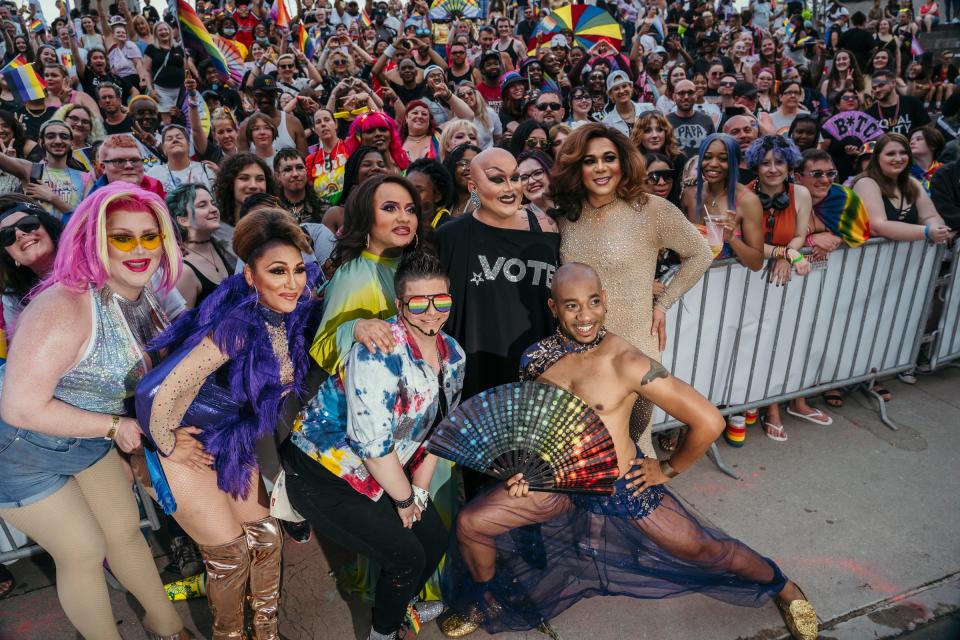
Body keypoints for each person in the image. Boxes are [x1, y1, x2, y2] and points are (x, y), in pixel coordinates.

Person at [438, 263, 818, 640]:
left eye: (593, 302)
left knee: (703, 549)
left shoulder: (627, 362)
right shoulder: (535, 358)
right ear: (554, 308)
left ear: (605, 302)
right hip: (559, 483)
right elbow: (537, 423)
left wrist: (667, 469)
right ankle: (488, 600)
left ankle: (785, 587)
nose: (585, 315)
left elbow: (709, 422)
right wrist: (527, 467)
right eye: (571, 305)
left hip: (621, 488)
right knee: (472, 523)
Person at [0, 182, 188, 640]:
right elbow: (20, 408)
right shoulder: (64, 305)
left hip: (84, 436)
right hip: (18, 451)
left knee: (124, 531)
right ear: (94, 240)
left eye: (150, 235)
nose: (139, 249)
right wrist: (114, 425)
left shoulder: (135, 290)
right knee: (83, 550)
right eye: (121, 237)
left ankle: (169, 629)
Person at [136, 208, 319, 640]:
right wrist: (167, 442)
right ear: (251, 277)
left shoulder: (291, 311)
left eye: (297, 270)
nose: (292, 282)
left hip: (234, 440)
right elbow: (159, 391)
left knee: (266, 539)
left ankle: (267, 634)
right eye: (278, 271)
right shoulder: (237, 325)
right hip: (189, 442)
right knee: (231, 556)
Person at [285, 250, 460, 640]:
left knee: (433, 537)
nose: (431, 311)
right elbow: (373, 447)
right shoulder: (376, 355)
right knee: (406, 555)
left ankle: (396, 607)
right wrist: (403, 503)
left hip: (382, 471)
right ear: (400, 305)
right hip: (324, 473)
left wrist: (417, 493)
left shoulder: (455, 356)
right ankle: (382, 634)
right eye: (418, 302)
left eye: (441, 299)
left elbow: (437, 433)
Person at [550, 124, 712, 457]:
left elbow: (700, 253)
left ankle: (643, 500)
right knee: (581, 447)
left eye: (608, 158)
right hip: (578, 351)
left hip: (635, 347)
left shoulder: (651, 210)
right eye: (589, 160)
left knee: (634, 443)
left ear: (623, 162)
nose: (600, 168)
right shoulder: (566, 216)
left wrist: (664, 302)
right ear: (576, 167)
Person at [435, 147, 560, 402]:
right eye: (496, 179)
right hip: (474, 382)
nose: (510, 188)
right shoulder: (448, 238)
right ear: (473, 187)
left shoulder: (546, 231)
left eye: (514, 178)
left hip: (538, 378)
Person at [743, 136, 827, 441]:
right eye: (765, 162)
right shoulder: (744, 195)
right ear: (756, 165)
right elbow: (749, 243)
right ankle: (748, 404)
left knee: (781, 340)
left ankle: (776, 405)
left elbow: (799, 235)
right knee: (751, 342)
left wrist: (787, 255)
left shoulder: (801, 193)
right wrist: (784, 254)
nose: (773, 168)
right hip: (746, 277)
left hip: (783, 278)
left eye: (779, 161)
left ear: (789, 164)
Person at [682, 133, 764, 271]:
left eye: (723, 159)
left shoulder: (748, 201)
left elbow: (757, 263)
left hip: (727, 286)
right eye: (707, 157)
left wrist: (731, 239)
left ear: (735, 163)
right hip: (693, 286)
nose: (713, 164)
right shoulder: (690, 194)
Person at [0, 119, 88, 217]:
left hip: (72, 232)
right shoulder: (30, 170)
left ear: (71, 143)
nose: (58, 141)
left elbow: (87, 217)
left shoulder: (86, 178)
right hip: (37, 232)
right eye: (50, 136)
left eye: (64, 136)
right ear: (41, 141)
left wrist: (53, 198)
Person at [166, 184, 235, 308]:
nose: (214, 209)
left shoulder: (216, 245)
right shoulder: (184, 272)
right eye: (202, 205)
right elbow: (185, 326)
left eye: (212, 203)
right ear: (183, 220)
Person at [147, 125, 216, 192]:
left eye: (179, 137)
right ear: (164, 149)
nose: (175, 140)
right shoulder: (153, 174)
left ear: (188, 145)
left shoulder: (206, 169)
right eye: (169, 139)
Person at [866, 69, 931, 136]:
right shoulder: (869, 114)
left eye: (881, 85)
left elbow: (926, 132)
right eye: (874, 88)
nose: (877, 90)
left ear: (893, 83)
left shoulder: (912, 103)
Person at [667, 79, 717, 159]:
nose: (686, 97)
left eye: (690, 93)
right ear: (674, 97)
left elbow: (714, 148)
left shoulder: (706, 120)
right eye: (681, 93)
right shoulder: (666, 121)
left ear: (696, 96)